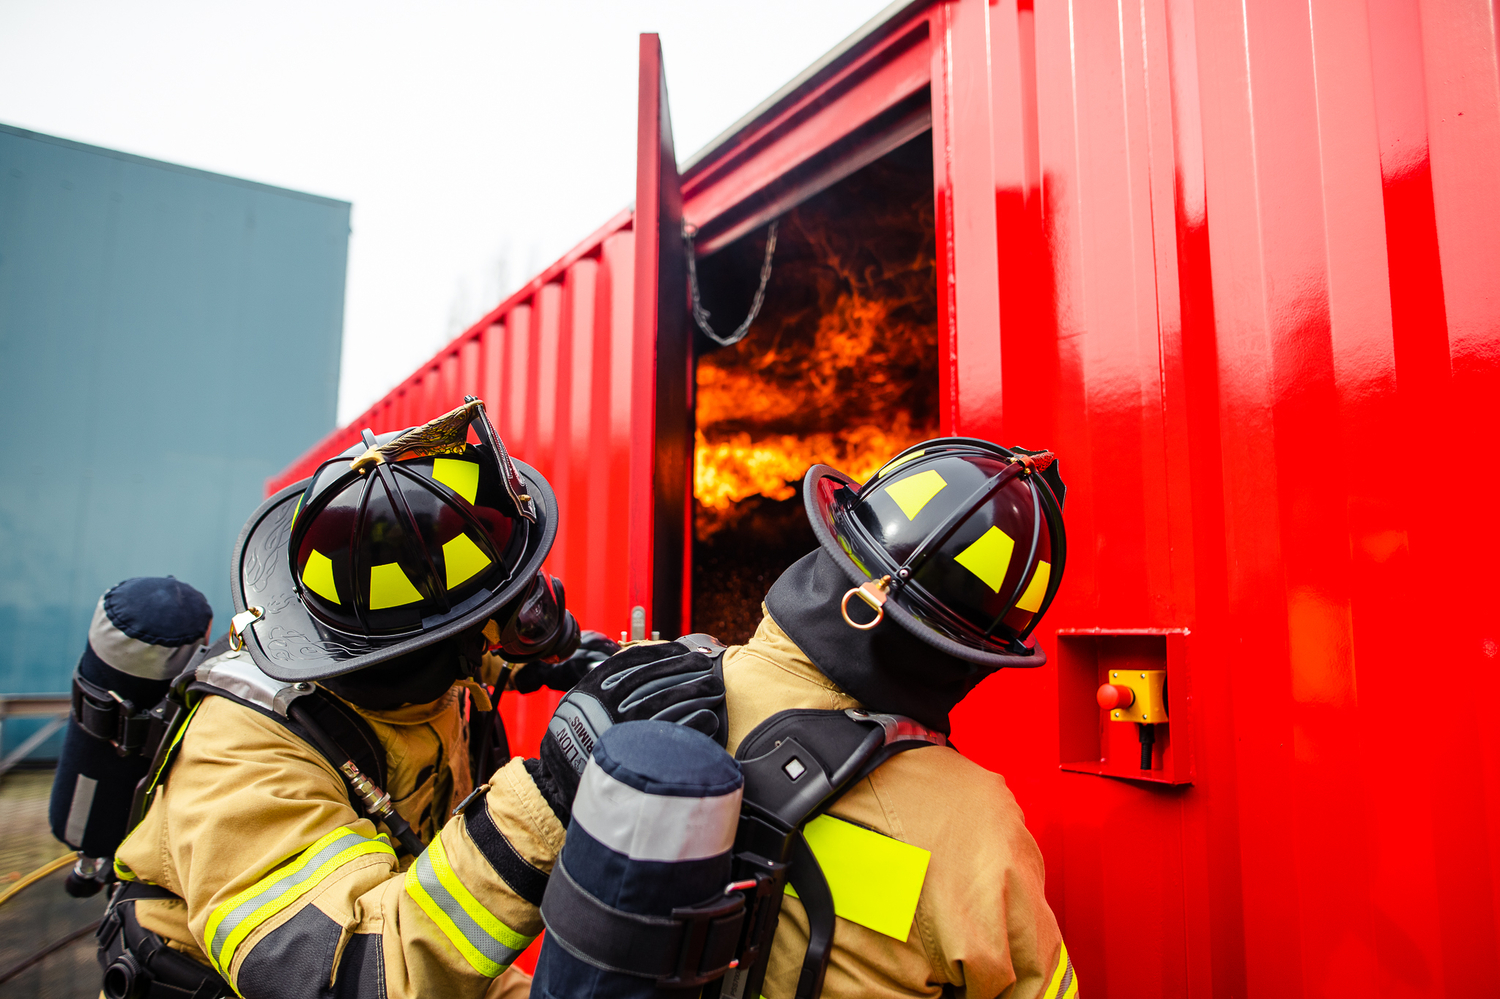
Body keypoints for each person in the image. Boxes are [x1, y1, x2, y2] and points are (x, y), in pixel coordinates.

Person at [98, 399, 722, 999]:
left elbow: (429, 924)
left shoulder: (422, 679)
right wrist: (553, 794)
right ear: (442, 650)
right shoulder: (240, 755)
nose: (524, 633)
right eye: (515, 614)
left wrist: (582, 657)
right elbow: (349, 976)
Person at [543, 438, 1077, 999]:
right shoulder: (975, 825)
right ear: (977, 655)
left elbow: (458, 918)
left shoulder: (640, 701)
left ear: (831, 541)